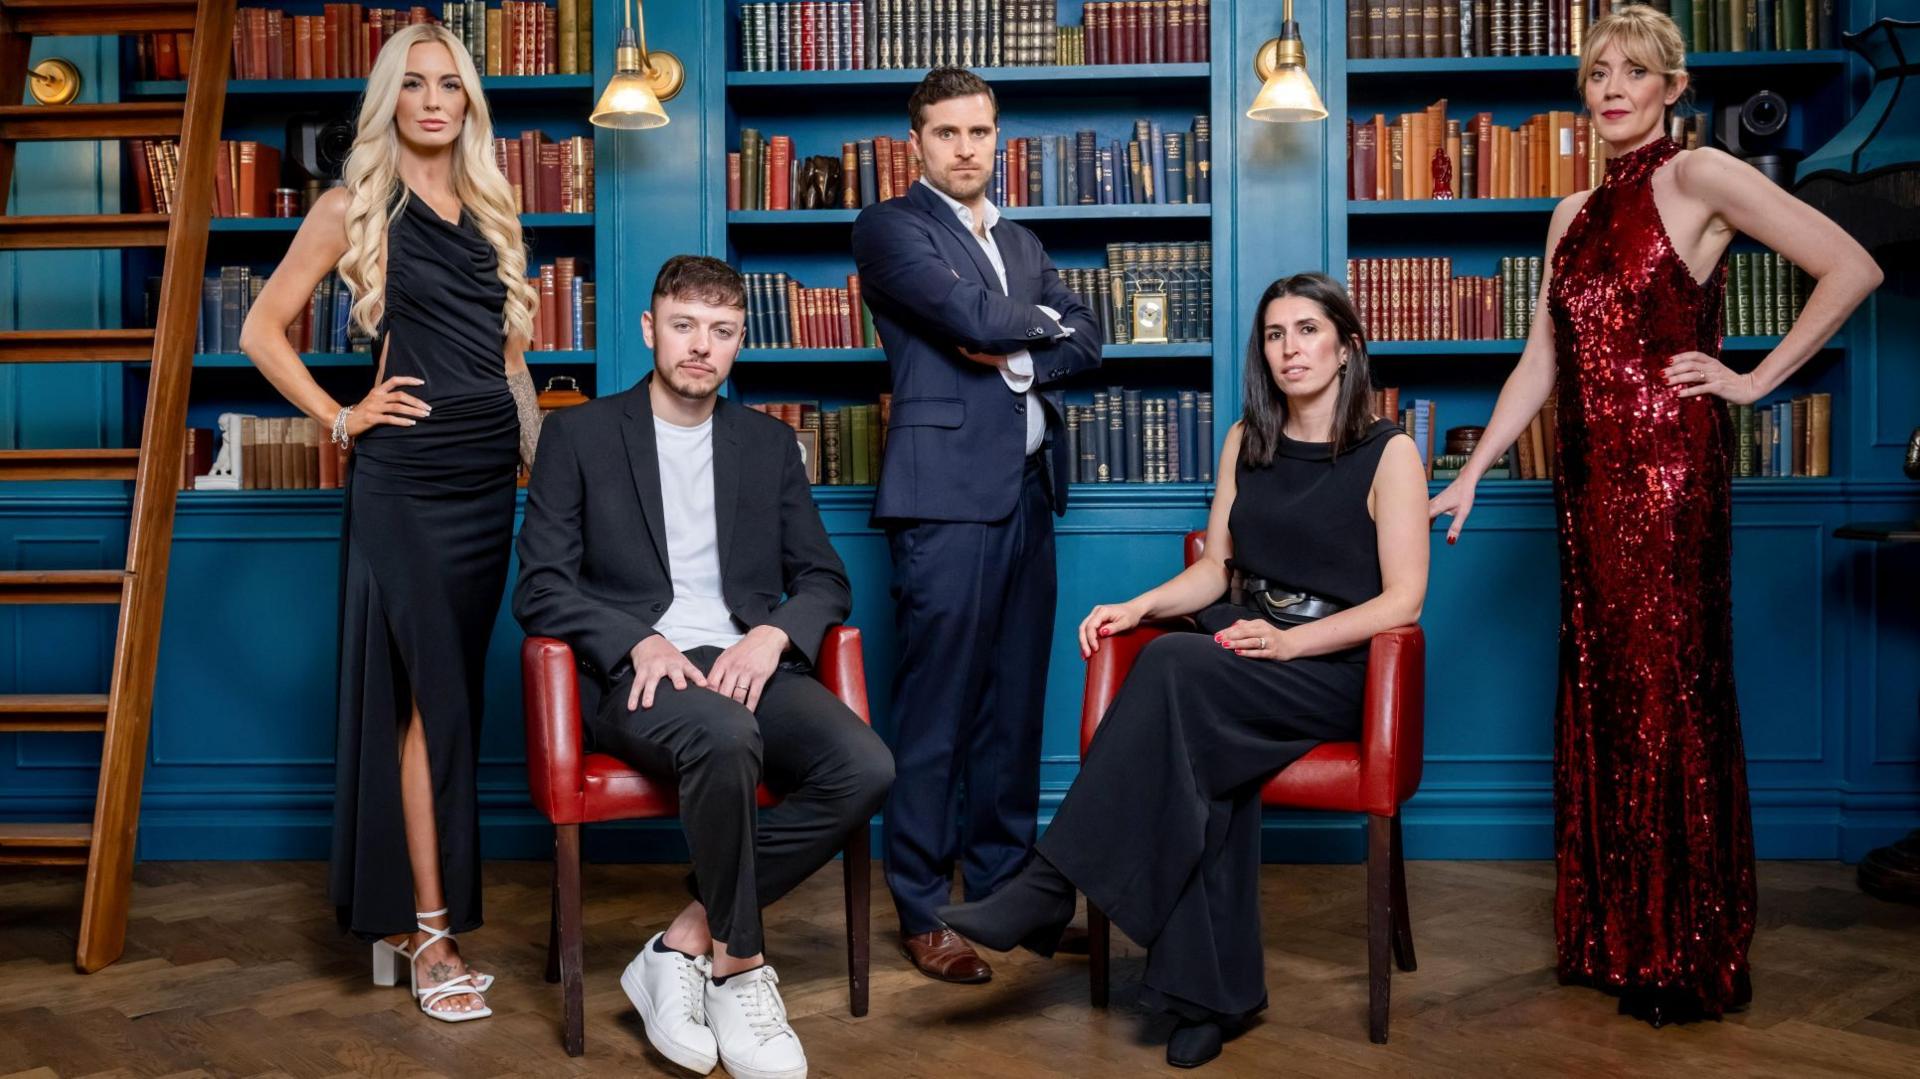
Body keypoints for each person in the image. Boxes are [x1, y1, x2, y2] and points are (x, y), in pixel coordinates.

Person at [1426, 5, 1882, 1026]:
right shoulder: (1571, 212)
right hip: (1584, 493)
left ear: (1675, 85)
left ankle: (1683, 949)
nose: (1614, 87)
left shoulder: (1703, 177)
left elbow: (1853, 267)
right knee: (1604, 696)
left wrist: (1754, 378)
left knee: (1669, 698)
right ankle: (1613, 934)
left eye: (1636, 70)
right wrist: (1473, 469)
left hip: (1671, 488)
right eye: (1597, 73)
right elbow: (1542, 362)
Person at [940, 273, 1431, 1068]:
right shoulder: (1248, 438)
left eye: (1308, 330)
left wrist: (1290, 644)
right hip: (1242, 648)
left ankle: (1052, 880)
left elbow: (1404, 600)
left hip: (1327, 665)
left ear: (1348, 347)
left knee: (1175, 664)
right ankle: (1207, 995)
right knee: (1199, 755)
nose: (1290, 349)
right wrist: (1135, 605)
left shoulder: (1390, 453)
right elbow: (1214, 571)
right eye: (1275, 334)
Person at [514, 255, 894, 1079]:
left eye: (721, 332)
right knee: (724, 737)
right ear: (651, 330)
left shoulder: (767, 444)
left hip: (749, 665)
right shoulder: (578, 434)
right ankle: (740, 966)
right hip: (639, 678)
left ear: (739, 342)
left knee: (865, 764)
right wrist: (633, 639)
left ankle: (684, 939)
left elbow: (827, 577)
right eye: (683, 326)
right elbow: (539, 586)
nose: (700, 346)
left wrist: (774, 637)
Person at [238, 23, 544, 1023]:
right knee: (430, 700)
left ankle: (423, 913)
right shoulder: (353, 204)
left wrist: (543, 468)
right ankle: (431, 929)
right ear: (391, 99)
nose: (431, 100)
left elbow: (508, 368)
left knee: (449, 705)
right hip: (404, 482)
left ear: (468, 103)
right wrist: (339, 416)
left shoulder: (496, 212)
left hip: (484, 486)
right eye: (412, 84)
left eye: (448, 85)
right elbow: (258, 327)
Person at [850, 66, 1103, 984]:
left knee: (1013, 709)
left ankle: (1002, 895)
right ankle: (922, 906)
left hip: (1030, 493)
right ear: (917, 141)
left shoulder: (1023, 241)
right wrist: (1034, 326)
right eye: (947, 133)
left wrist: (1018, 348)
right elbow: (963, 311)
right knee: (937, 711)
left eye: (980, 132)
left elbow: (1089, 336)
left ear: (1000, 138)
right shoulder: (890, 227)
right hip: (944, 497)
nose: (966, 149)